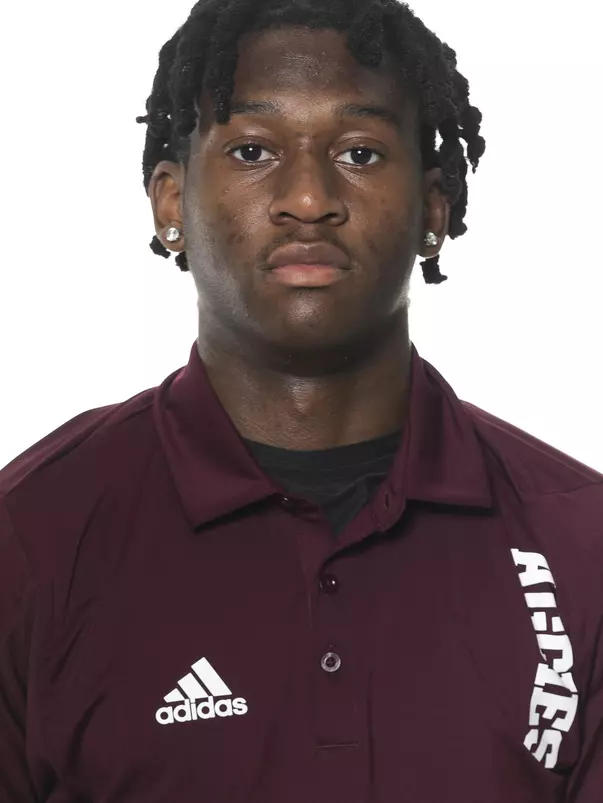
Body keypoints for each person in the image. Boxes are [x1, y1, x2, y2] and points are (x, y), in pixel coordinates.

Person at [1, 0, 602, 800]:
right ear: (170, 202)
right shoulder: (32, 536)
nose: (309, 198)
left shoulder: (580, 543)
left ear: (433, 209)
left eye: (358, 151)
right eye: (253, 149)